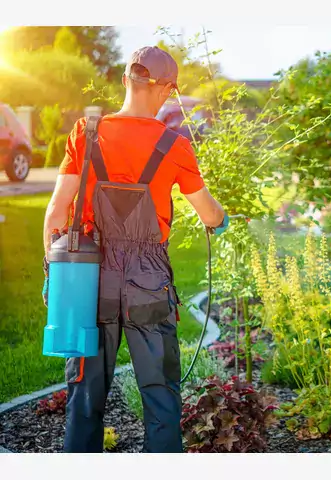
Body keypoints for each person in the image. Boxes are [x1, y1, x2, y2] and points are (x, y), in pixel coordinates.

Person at [41, 46, 227, 453]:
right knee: (161, 398)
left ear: (125, 80)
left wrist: (55, 278)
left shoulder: (85, 133)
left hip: (91, 281)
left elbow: (56, 213)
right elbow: (208, 214)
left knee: (85, 398)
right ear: (167, 91)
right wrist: (221, 218)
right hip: (149, 283)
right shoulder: (174, 145)